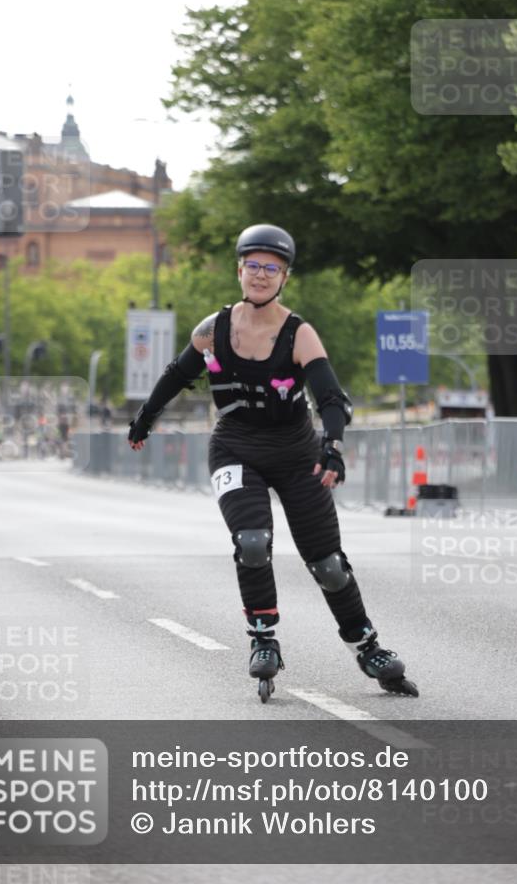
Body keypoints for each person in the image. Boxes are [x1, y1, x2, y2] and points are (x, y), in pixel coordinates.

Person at [128, 224, 418, 701]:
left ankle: (368, 648)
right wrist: (145, 418)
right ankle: (263, 640)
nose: (261, 275)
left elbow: (331, 398)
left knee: (328, 564)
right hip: (234, 448)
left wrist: (333, 446)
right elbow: (177, 374)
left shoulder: (298, 334)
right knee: (252, 541)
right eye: (253, 265)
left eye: (272, 268)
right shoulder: (212, 330)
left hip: (297, 453)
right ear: (239, 270)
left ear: (285, 277)